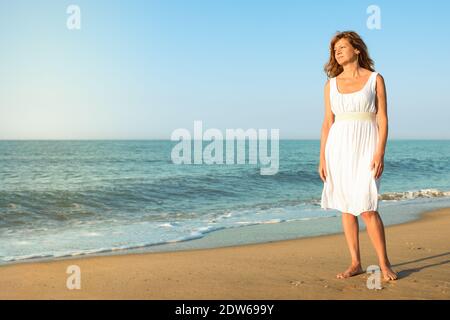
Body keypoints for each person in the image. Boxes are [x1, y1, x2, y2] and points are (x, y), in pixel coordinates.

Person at [319, 31, 398, 281]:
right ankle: (355, 263)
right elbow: (327, 122)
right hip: (338, 147)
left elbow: (382, 118)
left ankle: (384, 264)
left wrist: (380, 152)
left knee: (367, 207)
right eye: (334, 50)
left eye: (342, 47)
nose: (337, 52)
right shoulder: (331, 84)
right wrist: (322, 157)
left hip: (366, 145)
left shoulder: (375, 79)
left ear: (357, 50)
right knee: (346, 207)